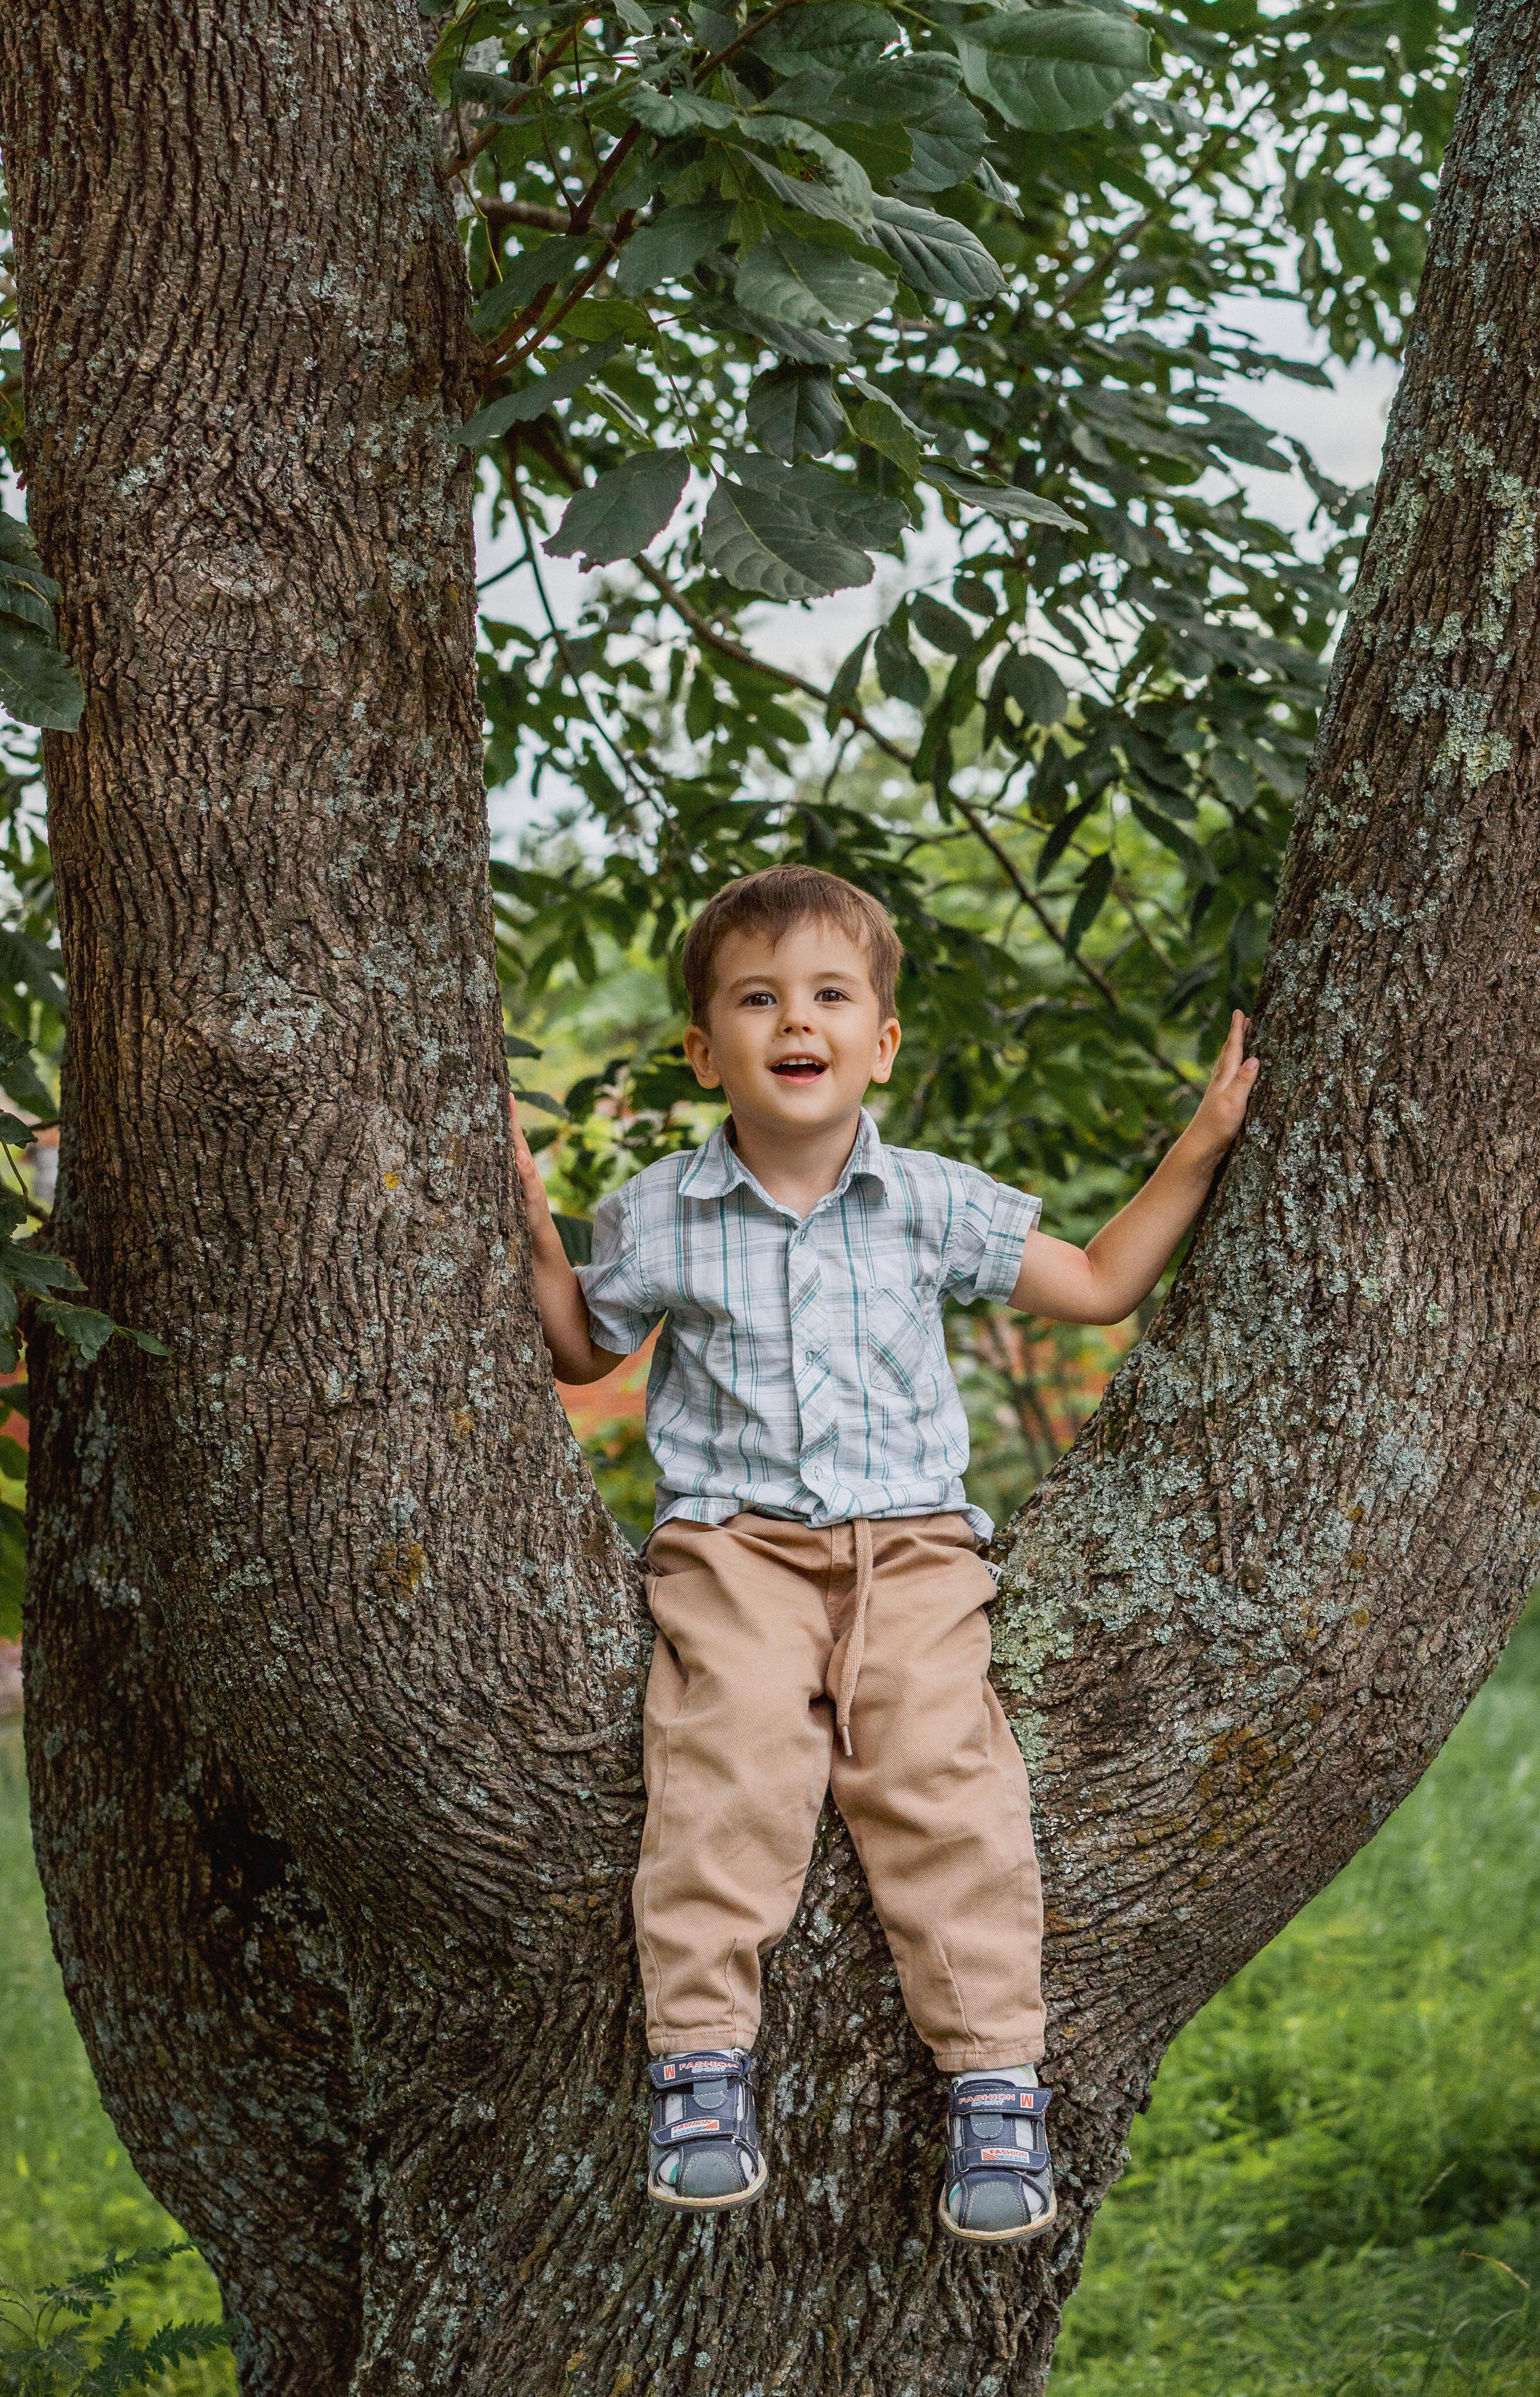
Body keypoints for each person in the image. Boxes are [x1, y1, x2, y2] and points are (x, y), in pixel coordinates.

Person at [509, 863, 1258, 2243]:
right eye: (756, 998)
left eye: (828, 996)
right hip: (733, 1552)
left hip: (912, 1553)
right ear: (705, 1047)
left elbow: (1093, 1288)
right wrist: (518, 1204)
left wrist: (1202, 1146)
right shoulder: (660, 1212)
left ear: (880, 1041)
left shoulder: (927, 1201)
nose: (795, 1020)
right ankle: (698, 2069)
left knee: (943, 1781)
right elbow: (578, 1347)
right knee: (726, 1763)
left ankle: (992, 2085)